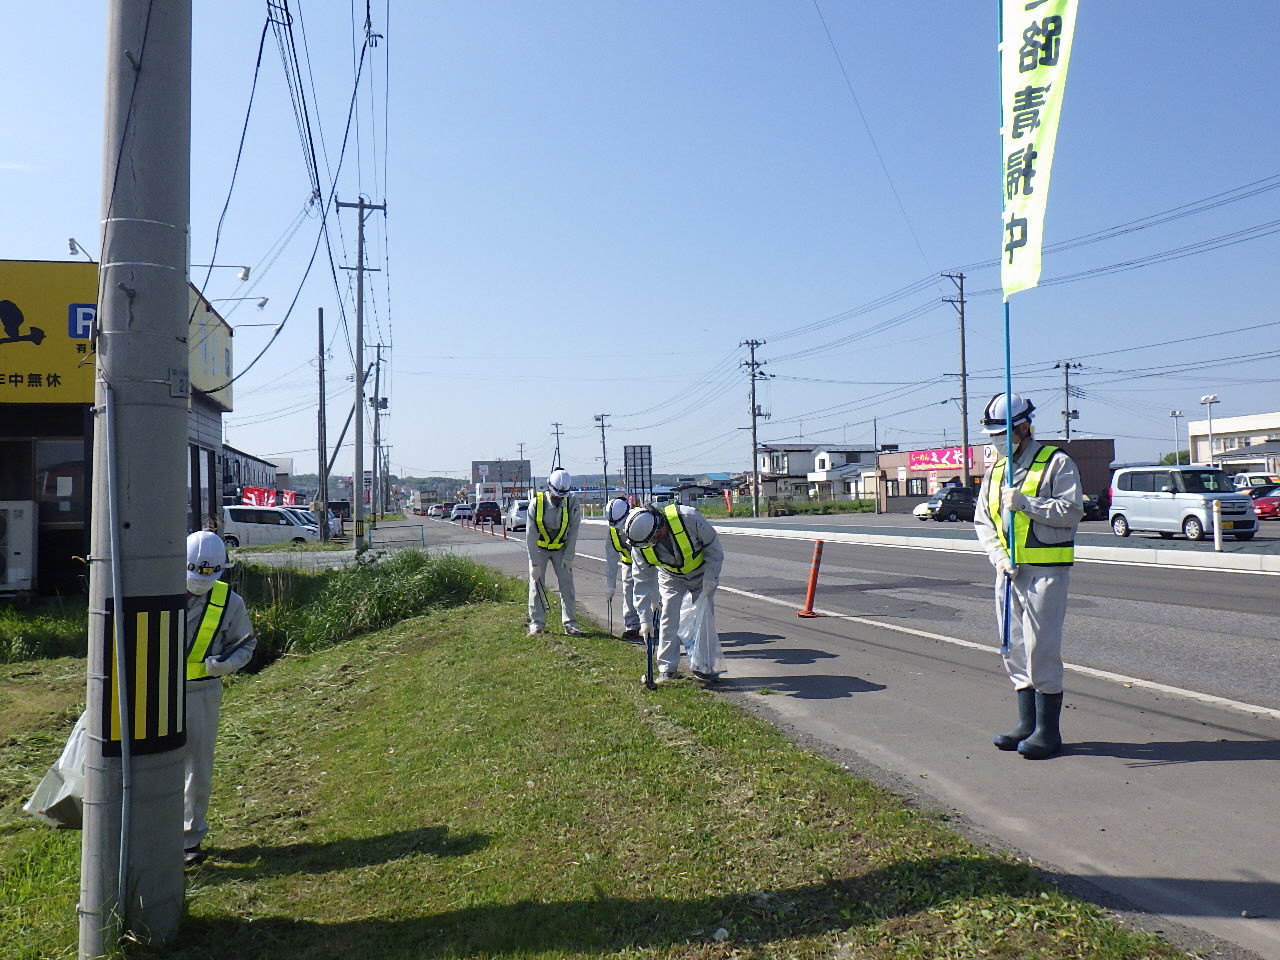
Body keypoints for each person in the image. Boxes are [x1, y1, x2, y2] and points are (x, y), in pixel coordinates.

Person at [974, 392, 1083, 759]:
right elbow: (983, 522)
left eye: (1001, 433)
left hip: (1045, 571)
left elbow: (1071, 511)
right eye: (992, 434)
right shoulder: (995, 471)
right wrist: (998, 557)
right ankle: (1026, 723)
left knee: (1041, 649)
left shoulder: (1056, 463)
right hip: (1009, 572)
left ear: (1023, 428)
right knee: (1013, 647)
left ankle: (1048, 732)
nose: (995, 441)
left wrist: (1024, 502)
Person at [183, 530, 258, 865]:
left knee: (196, 770)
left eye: (209, 575)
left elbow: (245, 645)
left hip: (201, 693)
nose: (200, 582)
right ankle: (145, 833)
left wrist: (226, 666)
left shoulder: (230, 601)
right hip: (154, 691)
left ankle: (188, 841)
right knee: (148, 765)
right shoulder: (154, 587)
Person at [624, 501, 724, 682]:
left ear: (658, 527)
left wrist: (711, 577)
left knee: (704, 618)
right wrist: (644, 620)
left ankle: (704, 666)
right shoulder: (640, 546)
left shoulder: (689, 517)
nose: (651, 545)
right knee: (668, 616)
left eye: (653, 539)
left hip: (701, 574)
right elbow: (641, 582)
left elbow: (713, 546)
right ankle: (667, 669)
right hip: (671, 576)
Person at [526, 468, 583, 637]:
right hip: (540, 548)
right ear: (549, 487)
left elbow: (574, 530)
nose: (559, 499)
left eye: (562, 496)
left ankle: (571, 623)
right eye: (556, 495)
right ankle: (537, 624)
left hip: (561, 548)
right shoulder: (536, 503)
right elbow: (530, 534)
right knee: (536, 585)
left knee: (567, 586)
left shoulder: (571, 500)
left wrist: (569, 556)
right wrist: (534, 563)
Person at [603, 496, 655, 640]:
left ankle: (654, 624)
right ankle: (632, 626)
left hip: (649, 563)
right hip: (629, 563)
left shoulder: (643, 518)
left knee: (651, 594)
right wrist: (610, 586)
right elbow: (611, 559)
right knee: (629, 593)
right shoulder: (613, 530)